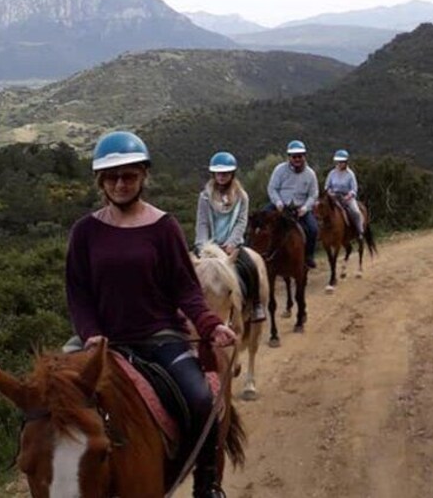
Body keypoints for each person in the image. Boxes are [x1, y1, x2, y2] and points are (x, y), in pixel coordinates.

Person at [65, 131, 236, 498]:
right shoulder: (84, 232)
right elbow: (78, 295)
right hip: (100, 339)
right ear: (101, 182)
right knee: (47, 397)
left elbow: (186, 290)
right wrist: (91, 331)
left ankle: (207, 483)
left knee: (200, 399)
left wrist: (210, 324)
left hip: (159, 338)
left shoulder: (164, 227)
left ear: (144, 176)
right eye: (112, 177)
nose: (121, 183)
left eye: (129, 175)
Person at [195, 151, 266, 322]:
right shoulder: (205, 197)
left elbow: (241, 221)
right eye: (218, 173)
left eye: (225, 173)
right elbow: (202, 222)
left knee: (250, 266)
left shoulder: (242, 196)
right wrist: (203, 246)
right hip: (208, 246)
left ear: (232, 174)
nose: (221, 176)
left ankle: (256, 304)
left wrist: (232, 243)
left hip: (231, 245)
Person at [265, 139, 319, 268]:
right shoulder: (279, 170)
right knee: (259, 222)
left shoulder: (310, 174)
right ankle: (258, 252)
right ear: (289, 157)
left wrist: (305, 208)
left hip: (300, 208)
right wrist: (278, 203)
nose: (297, 159)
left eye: (299, 156)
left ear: (304, 156)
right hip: (280, 205)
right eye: (294, 156)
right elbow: (272, 188)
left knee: (313, 229)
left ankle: (308, 256)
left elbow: (313, 194)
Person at [324, 149, 364, 240]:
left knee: (356, 212)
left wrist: (348, 196)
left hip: (346, 197)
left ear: (346, 162)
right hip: (334, 196)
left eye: (342, 162)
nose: (339, 164)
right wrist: (330, 193)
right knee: (321, 209)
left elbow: (354, 189)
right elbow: (327, 186)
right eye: (338, 162)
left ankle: (360, 231)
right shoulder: (332, 173)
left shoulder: (350, 174)